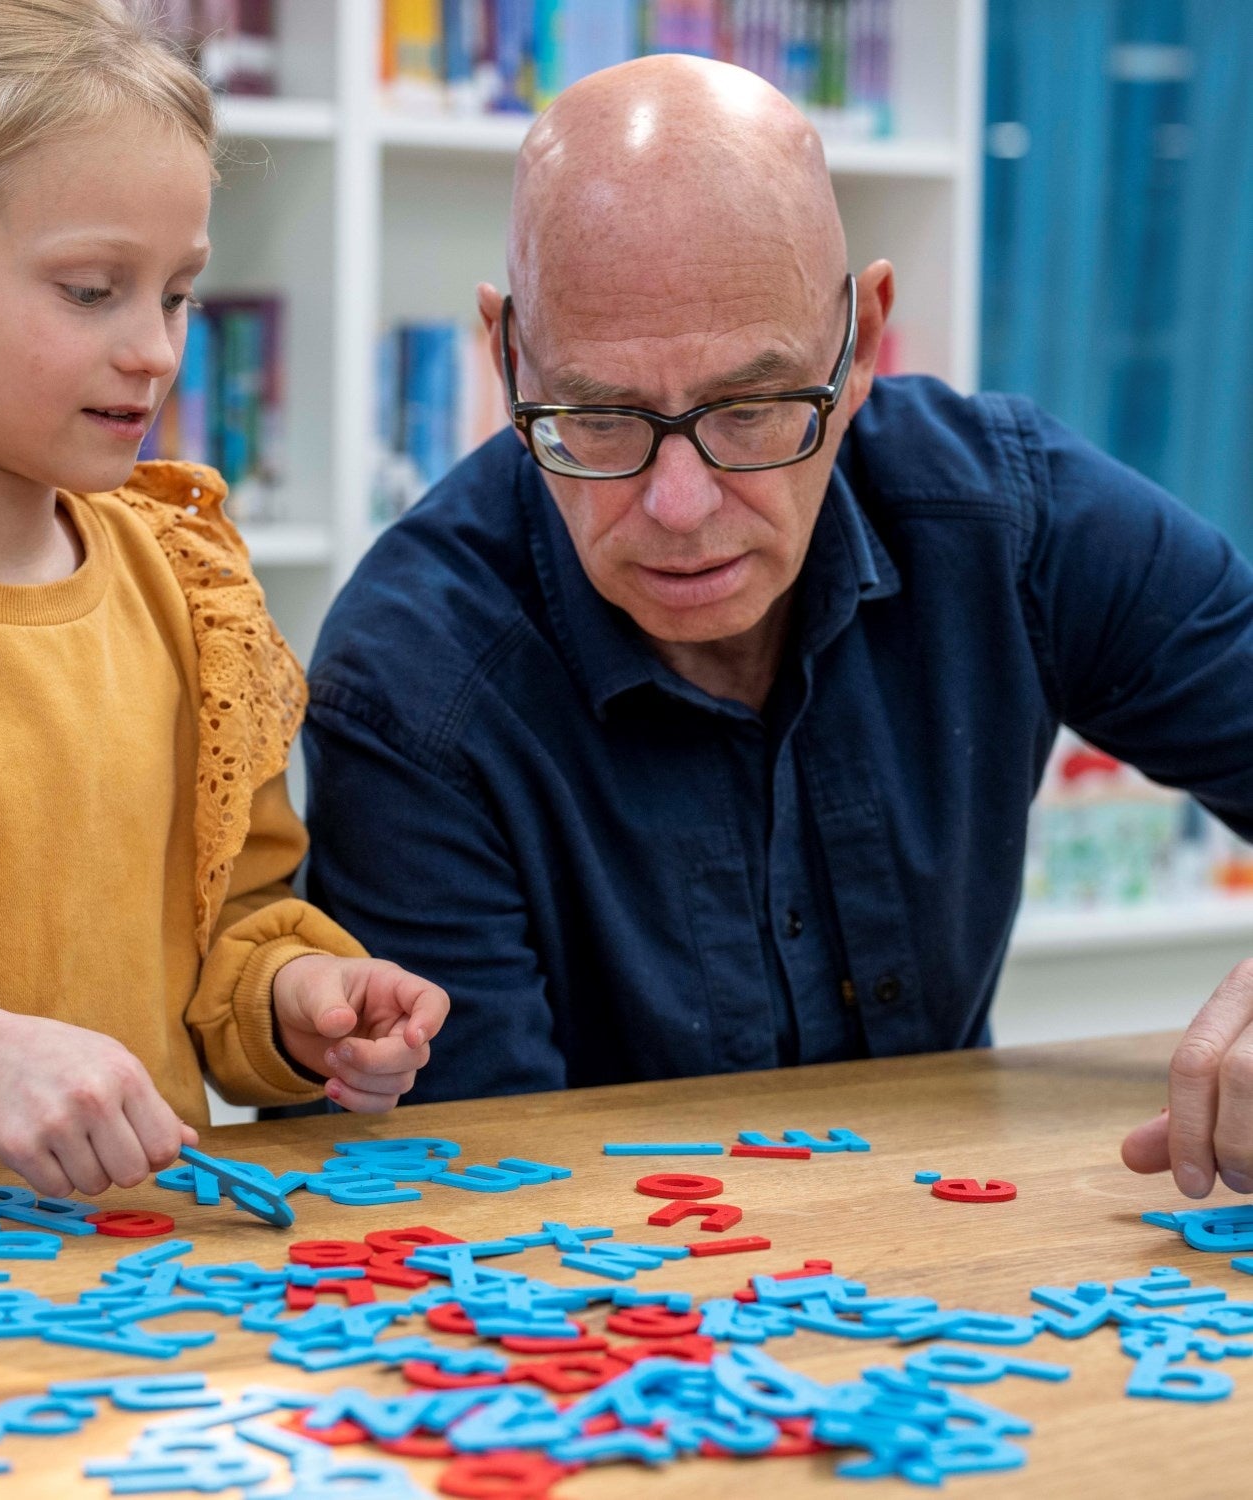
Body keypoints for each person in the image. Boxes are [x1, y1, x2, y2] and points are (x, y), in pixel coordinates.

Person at [304, 54, 1253, 1202]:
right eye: (600, 417)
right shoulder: (411, 684)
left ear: (863, 345)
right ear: (506, 363)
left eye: (753, 409)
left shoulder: (1012, 516)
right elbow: (483, 1204)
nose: (680, 506)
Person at [0, 0, 448, 1193]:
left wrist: (296, 1000)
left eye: (176, 294)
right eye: (89, 291)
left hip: (153, 1277)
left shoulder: (191, 591)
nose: (157, 352)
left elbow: (231, 920)